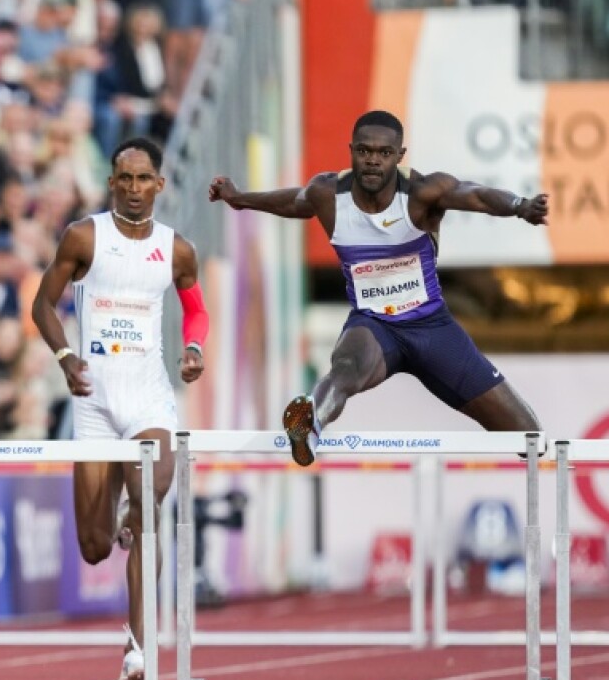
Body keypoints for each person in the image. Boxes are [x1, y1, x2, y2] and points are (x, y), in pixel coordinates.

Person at [208, 109, 546, 466]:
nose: (372, 161)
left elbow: (475, 195)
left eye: (384, 153)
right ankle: (309, 423)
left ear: (399, 156)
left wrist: (519, 206)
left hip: (432, 328)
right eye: (364, 151)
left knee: (529, 435)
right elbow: (293, 203)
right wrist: (240, 198)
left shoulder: (422, 192)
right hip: (374, 326)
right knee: (345, 369)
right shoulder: (327, 193)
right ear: (351, 150)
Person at [31, 137, 208, 680]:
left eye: (143, 179)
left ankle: (137, 648)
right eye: (124, 179)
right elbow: (42, 304)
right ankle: (120, 515)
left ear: (160, 184)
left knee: (151, 503)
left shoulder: (176, 249)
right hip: (93, 401)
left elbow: (195, 309)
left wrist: (195, 348)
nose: (134, 189)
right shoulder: (85, 236)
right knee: (93, 546)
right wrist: (65, 357)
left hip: (149, 395)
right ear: (112, 183)